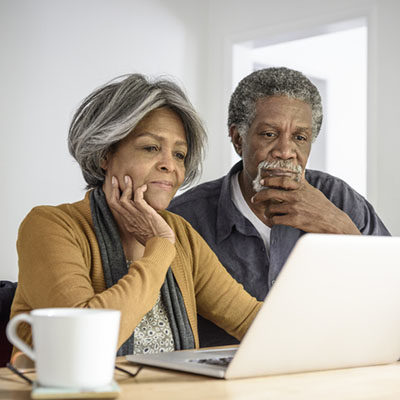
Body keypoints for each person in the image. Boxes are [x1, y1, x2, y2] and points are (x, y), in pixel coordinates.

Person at [10, 74, 262, 357]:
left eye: (179, 155)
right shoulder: (50, 226)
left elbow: (249, 318)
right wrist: (159, 249)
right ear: (104, 153)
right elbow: (82, 343)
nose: (170, 166)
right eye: (151, 148)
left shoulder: (180, 234)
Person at [169, 67, 390, 347]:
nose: (285, 152)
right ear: (238, 139)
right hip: (223, 380)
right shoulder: (186, 216)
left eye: (299, 137)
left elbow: (390, 296)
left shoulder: (339, 199)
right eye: (270, 134)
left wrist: (338, 226)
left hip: (326, 367)